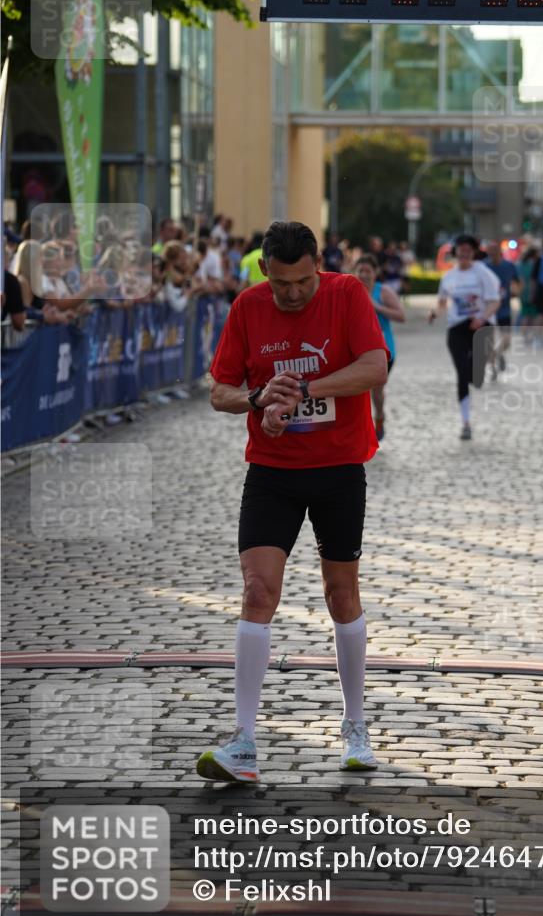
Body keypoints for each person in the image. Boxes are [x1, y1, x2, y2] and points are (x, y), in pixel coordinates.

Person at [196, 220, 388, 783]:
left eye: (304, 281)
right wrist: (258, 398)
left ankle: (355, 726)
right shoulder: (248, 307)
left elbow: (374, 367)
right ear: (264, 272)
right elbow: (219, 391)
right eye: (282, 284)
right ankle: (243, 741)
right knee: (258, 591)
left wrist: (305, 389)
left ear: (318, 265)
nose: (295, 293)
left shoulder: (346, 293)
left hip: (338, 469)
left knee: (340, 593)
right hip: (272, 472)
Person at [428, 234, 500, 440]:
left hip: (481, 326)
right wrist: (434, 313)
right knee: (461, 374)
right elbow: (442, 304)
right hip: (457, 328)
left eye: (469, 249)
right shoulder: (448, 277)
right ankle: (466, 423)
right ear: (455, 252)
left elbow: (494, 301)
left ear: (474, 252)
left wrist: (482, 318)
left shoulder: (483, 273)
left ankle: (477, 373)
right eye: (461, 249)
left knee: (474, 376)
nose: (465, 253)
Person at [354, 253, 405, 440]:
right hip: (357, 351)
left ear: (375, 272)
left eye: (368, 271)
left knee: (376, 390)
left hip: (384, 350)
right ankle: (362, 426)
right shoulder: (351, 291)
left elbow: (401, 316)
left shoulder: (383, 291)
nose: (364, 275)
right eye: (360, 270)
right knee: (356, 391)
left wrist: (376, 306)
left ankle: (379, 417)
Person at [484, 240, 519, 377]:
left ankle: (498, 354)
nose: (492, 254)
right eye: (490, 251)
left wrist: (516, 291)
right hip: (488, 310)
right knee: (489, 341)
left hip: (504, 309)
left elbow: (517, 281)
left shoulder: (509, 266)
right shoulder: (483, 266)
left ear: (500, 251)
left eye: (494, 251)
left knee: (507, 340)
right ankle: (492, 369)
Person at [517, 246, 539, 337]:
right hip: (531, 292)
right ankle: (530, 336)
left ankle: (524, 335)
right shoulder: (533, 264)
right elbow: (533, 281)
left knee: (525, 314)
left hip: (522, 293)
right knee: (532, 316)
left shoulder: (519, 264)